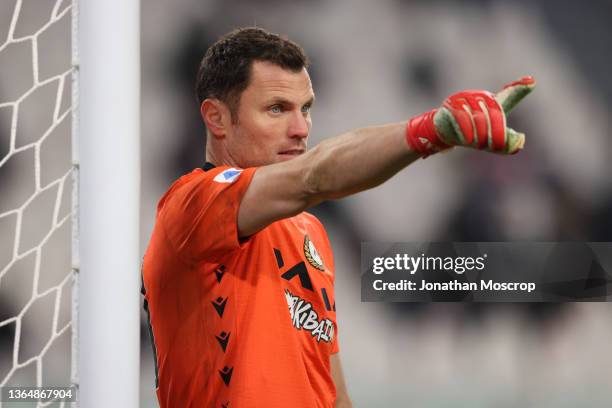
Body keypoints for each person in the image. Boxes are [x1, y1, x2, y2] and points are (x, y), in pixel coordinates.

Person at [141, 27, 535, 407]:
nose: (299, 129)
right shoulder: (193, 204)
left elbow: (332, 392)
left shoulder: (308, 232)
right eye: (277, 109)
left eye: (306, 109)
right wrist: (432, 130)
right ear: (217, 119)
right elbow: (312, 176)